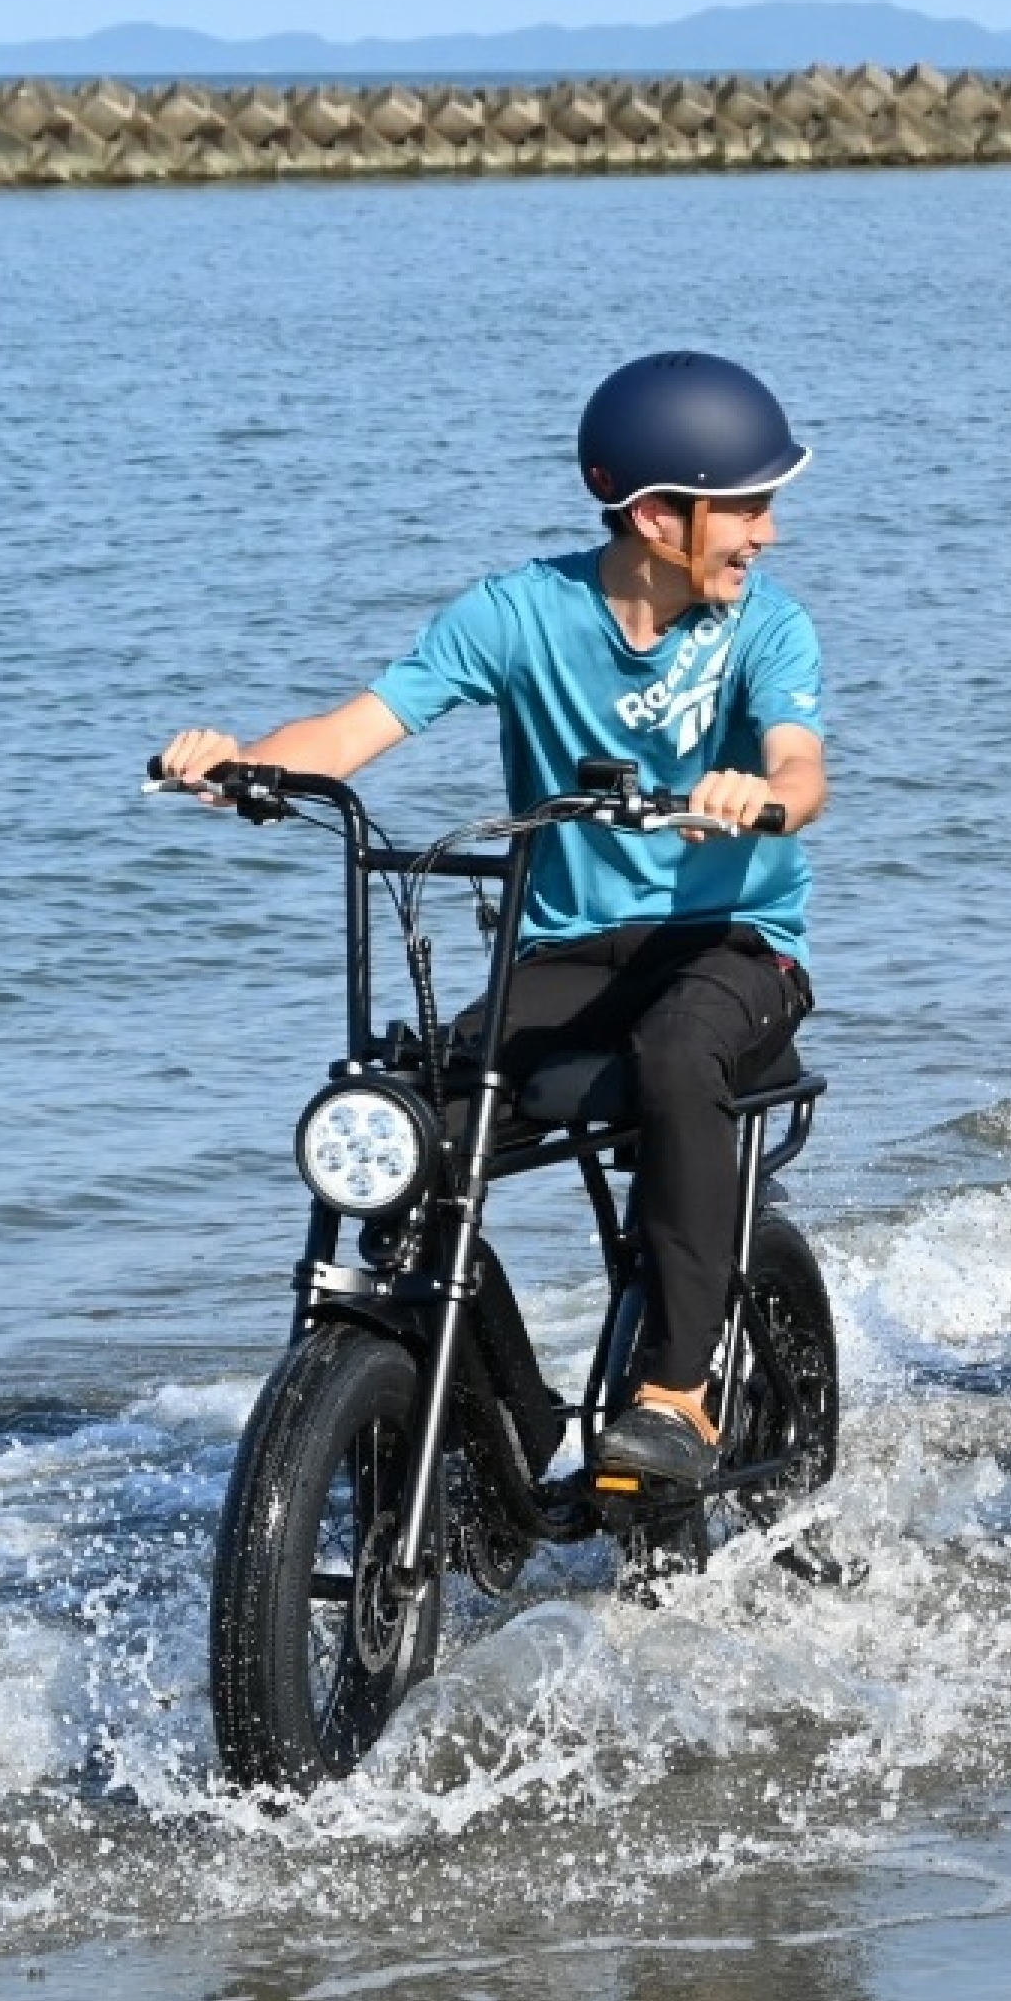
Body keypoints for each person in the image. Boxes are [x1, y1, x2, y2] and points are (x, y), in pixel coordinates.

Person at [158, 349, 829, 1485]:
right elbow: (356, 729)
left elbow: (801, 770)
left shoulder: (769, 630)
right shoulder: (516, 614)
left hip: (735, 950)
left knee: (675, 1053)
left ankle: (678, 1393)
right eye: (749, 507)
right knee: (406, 1124)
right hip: (568, 952)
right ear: (663, 517)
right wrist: (241, 769)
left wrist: (755, 799)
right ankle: (505, 1435)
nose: (768, 533)